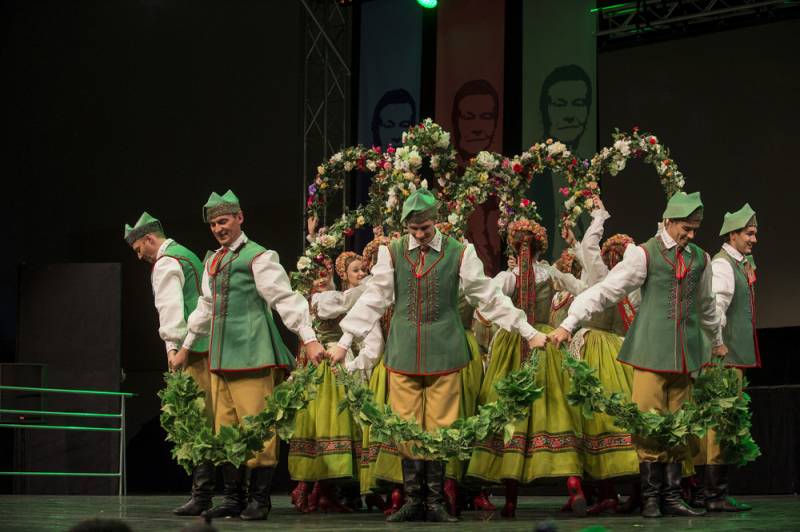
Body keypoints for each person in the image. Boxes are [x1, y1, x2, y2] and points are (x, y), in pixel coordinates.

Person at [327, 189, 547, 522]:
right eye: (413, 229)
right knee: (405, 426)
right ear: (405, 226)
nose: (419, 235)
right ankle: (413, 499)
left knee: (441, 427)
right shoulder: (392, 252)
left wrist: (528, 331)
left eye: (425, 228)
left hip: (445, 351)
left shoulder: (460, 252)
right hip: (403, 352)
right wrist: (345, 341)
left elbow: (488, 297)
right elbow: (374, 298)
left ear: (436, 222)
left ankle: (434, 501)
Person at [549, 191, 724, 518]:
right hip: (649, 352)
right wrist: (569, 324)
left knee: (679, 424)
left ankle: (672, 496)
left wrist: (717, 340)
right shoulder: (644, 254)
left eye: (695, 229)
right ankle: (651, 498)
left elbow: (706, 304)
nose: (691, 235)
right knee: (648, 423)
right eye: (686, 228)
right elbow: (606, 291)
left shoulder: (700, 258)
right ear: (669, 222)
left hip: (684, 355)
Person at [172, 190, 326, 521]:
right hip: (221, 358)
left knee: (258, 428)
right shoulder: (213, 261)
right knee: (227, 429)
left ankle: (260, 499)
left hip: (253, 354)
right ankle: (233, 498)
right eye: (213, 224)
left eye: (223, 221)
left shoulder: (259, 257)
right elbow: (206, 306)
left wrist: (310, 339)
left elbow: (284, 298)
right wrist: (186, 347)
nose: (218, 228)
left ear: (239, 218)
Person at [467, 219, 586, 518]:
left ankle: (510, 498)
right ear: (539, 247)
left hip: (515, 342)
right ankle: (574, 484)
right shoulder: (551, 274)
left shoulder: (509, 277)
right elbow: (582, 289)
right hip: (544, 341)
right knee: (554, 407)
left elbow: (486, 304)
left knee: (512, 411)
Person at [123, 212, 214, 516]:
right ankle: (214, 494)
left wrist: (173, 350)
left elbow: (170, 309)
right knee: (212, 416)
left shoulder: (165, 262)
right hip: (210, 345)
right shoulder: (187, 254)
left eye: (139, 249)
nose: (140, 257)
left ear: (150, 239)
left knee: (196, 418)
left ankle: (202, 495)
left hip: (192, 350)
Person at [694, 203, 758, 513]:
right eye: (749, 233)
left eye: (754, 233)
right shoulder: (722, 266)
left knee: (721, 423)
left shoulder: (739, 264)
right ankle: (713, 494)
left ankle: (709, 492)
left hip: (732, 356)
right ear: (732, 235)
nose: (753, 239)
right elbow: (715, 309)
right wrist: (718, 347)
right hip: (723, 358)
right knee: (718, 424)